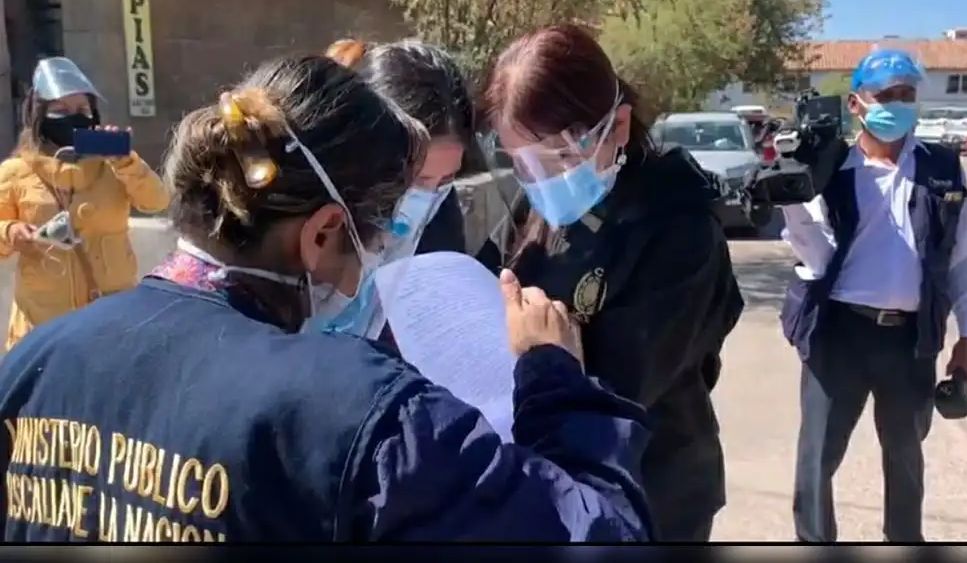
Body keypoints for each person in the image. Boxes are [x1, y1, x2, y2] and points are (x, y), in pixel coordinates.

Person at [0, 54, 653, 542]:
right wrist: (557, 386)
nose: (372, 264)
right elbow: (602, 536)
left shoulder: (34, 368)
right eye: (377, 235)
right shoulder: (363, 415)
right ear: (322, 233)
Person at [476, 24, 745, 541]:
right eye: (521, 163)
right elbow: (488, 281)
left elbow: (624, 386)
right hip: (553, 471)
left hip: (652, 491)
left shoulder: (680, 229)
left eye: (557, 157)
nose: (541, 181)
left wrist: (540, 351)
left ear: (618, 127)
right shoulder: (536, 204)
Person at [780, 48, 967, 542]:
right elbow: (815, 255)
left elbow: (961, 259)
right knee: (817, 459)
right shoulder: (830, 171)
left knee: (905, 457)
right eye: (885, 95)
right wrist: (792, 202)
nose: (897, 104)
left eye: (906, 95)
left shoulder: (942, 169)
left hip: (910, 341)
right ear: (856, 103)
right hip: (838, 336)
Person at [312, 39, 483, 338]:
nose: (426, 199)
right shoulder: (296, 211)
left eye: (444, 181)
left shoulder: (441, 223)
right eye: (414, 180)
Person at [0, 56, 168, 349]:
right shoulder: (16, 172)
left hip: (111, 320)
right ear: (40, 117)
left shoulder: (114, 166)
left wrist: (125, 160)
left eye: (81, 109)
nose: (73, 117)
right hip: (43, 326)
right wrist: (11, 232)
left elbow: (157, 201)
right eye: (61, 110)